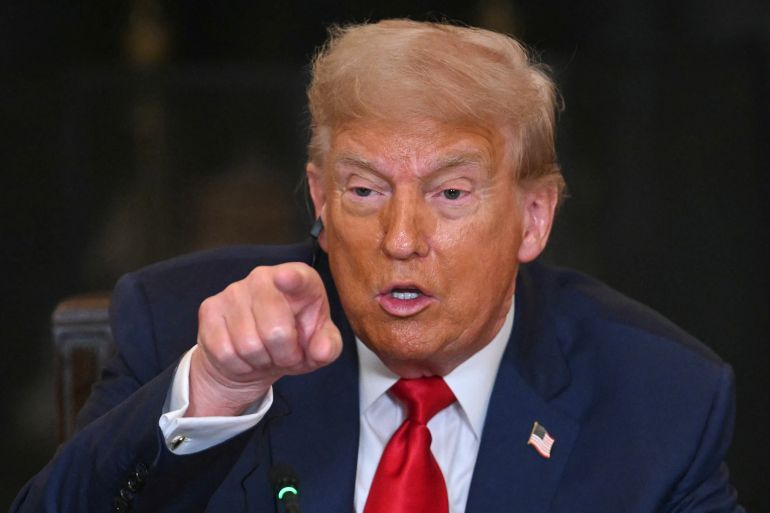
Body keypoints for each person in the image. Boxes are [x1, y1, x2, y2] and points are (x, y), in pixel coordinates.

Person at [12, 19, 743, 513]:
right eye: (364, 190)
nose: (400, 237)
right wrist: (213, 389)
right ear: (320, 200)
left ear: (533, 218)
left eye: (450, 193)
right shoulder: (179, 324)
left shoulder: (660, 399)